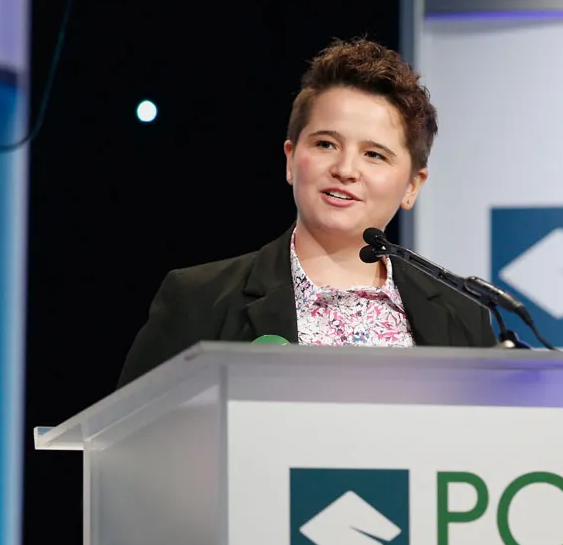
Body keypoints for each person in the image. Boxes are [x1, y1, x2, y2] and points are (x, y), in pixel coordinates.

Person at [116, 37, 497, 388]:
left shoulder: (463, 319)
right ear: (290, 158)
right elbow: (134, 435)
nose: (345, 169)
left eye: (374, 154)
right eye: (326, 144)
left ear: (413, 185)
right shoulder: (201, 301)